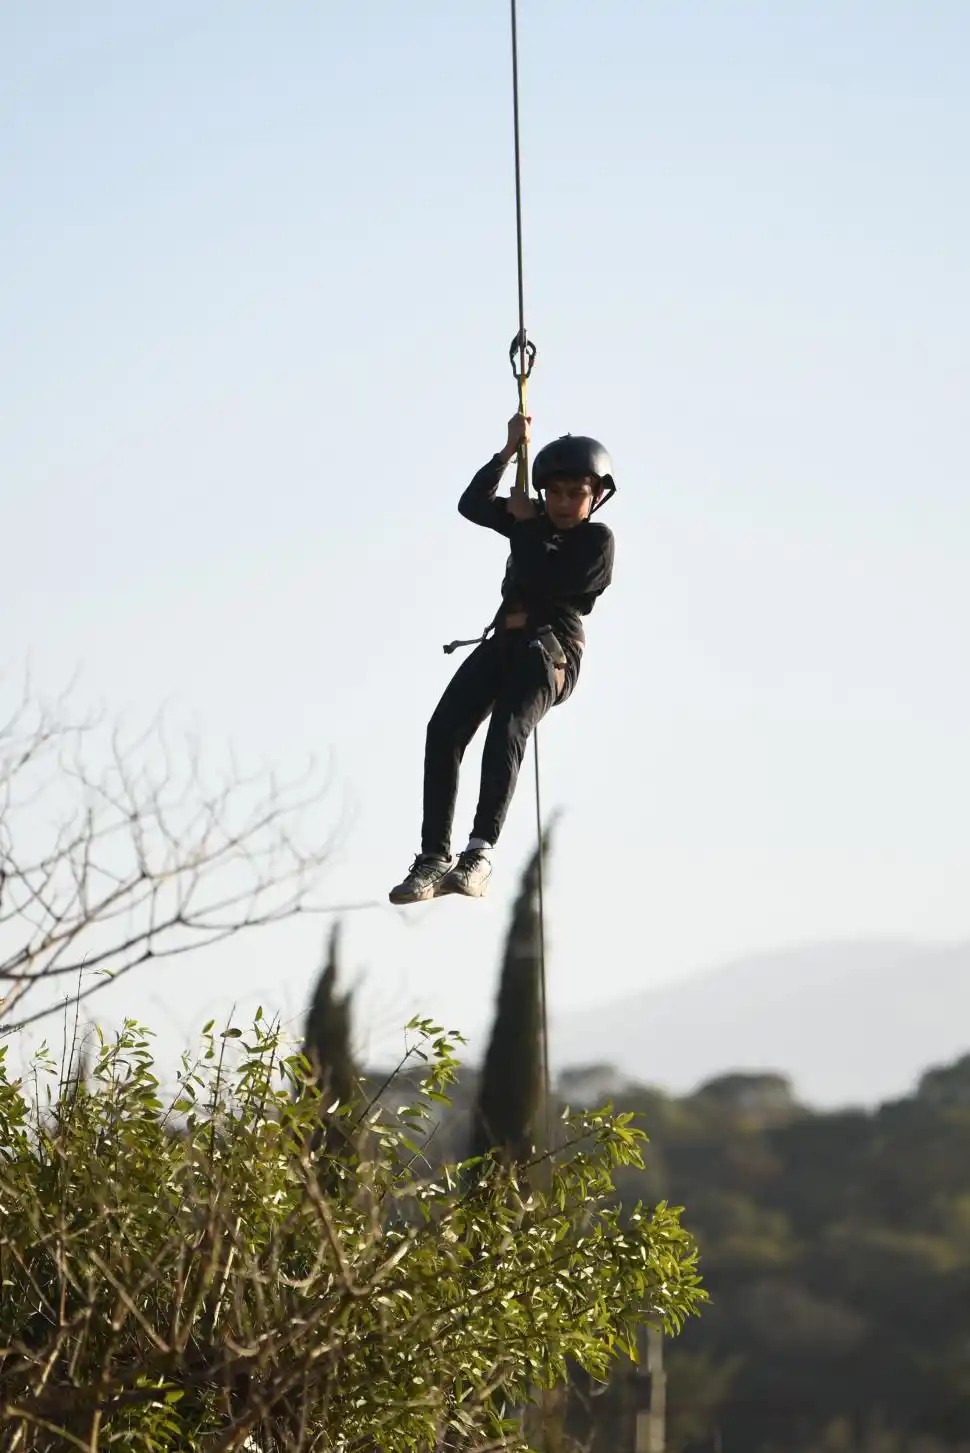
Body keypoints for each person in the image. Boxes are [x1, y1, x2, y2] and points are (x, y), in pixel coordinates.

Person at [389, 412, 616, 904]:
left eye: (573, 494)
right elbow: (471, 505)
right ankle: (433, 857)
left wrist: (526, 524)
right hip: (507, 640)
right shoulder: (530, 522)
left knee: (507, 728)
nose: (560, 503)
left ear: (595, 496)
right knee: (444, 728)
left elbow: (548, 582)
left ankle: (480, 853)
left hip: (552, 650)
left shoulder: (596, 542)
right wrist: (507, 453)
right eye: (552, 493)